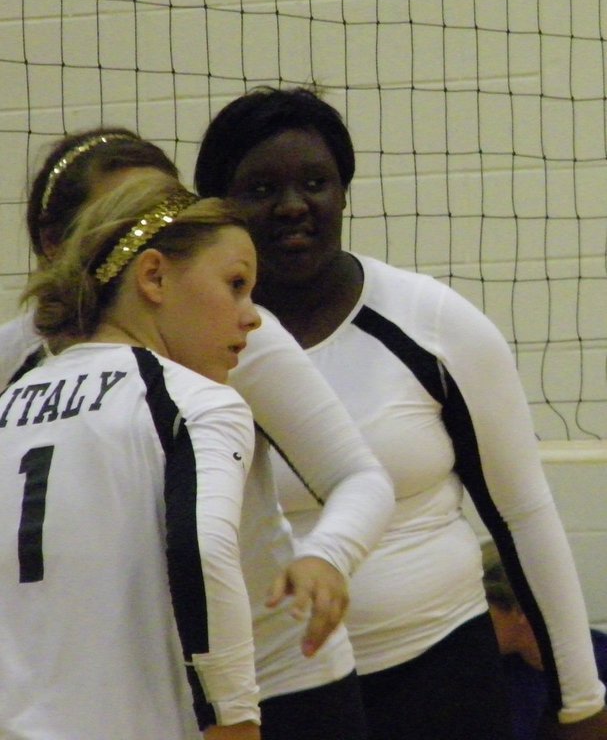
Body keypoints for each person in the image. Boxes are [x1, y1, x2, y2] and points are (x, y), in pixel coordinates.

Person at [194, 85, 607, 740]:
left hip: (440, 673)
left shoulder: (430, 322)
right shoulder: (190, 347)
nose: (294, 206)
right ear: (218, 207)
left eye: (315, 182)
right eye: (262, 189)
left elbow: (522, 513)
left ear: (343, 192)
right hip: (277, 696)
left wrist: (580, 700)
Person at [0, 128, 395, 740]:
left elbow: (359, 474)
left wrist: (328, 554)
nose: (161, 224)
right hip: (158, 695)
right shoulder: (30, 363)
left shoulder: (229, 340)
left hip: (271, 671)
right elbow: (199, 554)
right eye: (130, 215)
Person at [0, 169, 263, 739]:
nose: (253, 315)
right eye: (236, 284)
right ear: (154, 277)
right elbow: (205, 552)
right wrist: (235, 720)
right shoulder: (196, 403)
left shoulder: (8, 402)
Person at [482, 540, 607, 740]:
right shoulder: (482, 671)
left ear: (521, 609)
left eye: (481, 612)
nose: (471, 625)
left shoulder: (601, 657)